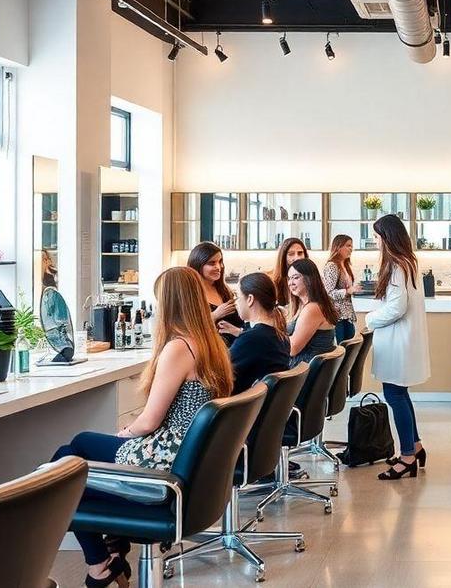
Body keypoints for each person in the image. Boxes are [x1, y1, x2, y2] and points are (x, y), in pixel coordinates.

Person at [51, 267, 233, 588]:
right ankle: (108, 552)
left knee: (65, 469)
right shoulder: (211, 344)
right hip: (189, 457)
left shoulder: (179, 348)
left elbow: (150, 421)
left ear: (169, 302)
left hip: (166, 460)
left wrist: (126, 432)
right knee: (72, 453)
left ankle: (101, 560)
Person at [365, 214, 431, 480]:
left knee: (394, 395)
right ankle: (415, 446)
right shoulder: (407, 262)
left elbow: (397, 307)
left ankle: (407, 458)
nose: (375, 241)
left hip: (397, 342)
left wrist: (370, 319)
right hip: (402, 341)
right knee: (400, 394)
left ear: (386, 237)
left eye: (376, 236)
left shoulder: (396, 266)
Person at [227, 272, 292, 394]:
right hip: (264, 403)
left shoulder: (252, 339)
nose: (235, 302)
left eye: (237, 296)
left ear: (250, 299)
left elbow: (220, 372)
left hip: (240, 404)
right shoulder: (280, 336)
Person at [186, 241, 244, 343]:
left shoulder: (225, 291)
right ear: (197, 265)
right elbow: (189, 330)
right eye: (212, 263)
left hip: (236, 348)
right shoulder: (190, 294)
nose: (218, 267)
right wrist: (215, 315)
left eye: (220, 262)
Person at [285, 258, 338, 364]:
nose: (291, 283)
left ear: (309, 279)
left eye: (296, 277)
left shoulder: (312, 309)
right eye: (289, 278)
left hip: (303, 371)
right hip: (305, 368)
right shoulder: (307, 306)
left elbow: (292, 349)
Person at [322, 234, 360, 344]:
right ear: (338, 247)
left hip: (347, 315)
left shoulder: (345, 265)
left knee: (348, 347)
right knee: (341, 348)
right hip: (337, 315)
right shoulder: (332, 266)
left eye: (351, 246)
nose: (351, 249)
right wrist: (347, 291)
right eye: (348, 245)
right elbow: (328, 292)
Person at [270, 237, 309, 307]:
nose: (297, 257)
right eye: (291, 254)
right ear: (283, 257)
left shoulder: (312, 278)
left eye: (300, 253)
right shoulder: (274, 282)